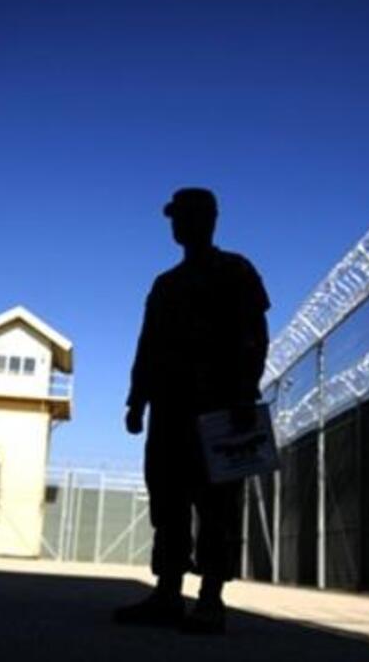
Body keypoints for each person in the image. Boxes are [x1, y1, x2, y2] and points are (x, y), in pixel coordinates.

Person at [112, 187, 270, 635]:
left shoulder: (236, 271)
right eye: (175, 218)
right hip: (170, 408)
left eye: (186, 216)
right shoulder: (166, 284)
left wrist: (244, 392)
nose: (179, 225)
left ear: (209, 219)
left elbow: (255, 336)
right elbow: (148, 346)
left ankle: (210, 599)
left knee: (216, 504)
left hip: (217, 408)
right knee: (168, 501)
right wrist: (136, 400)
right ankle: (168, 592)